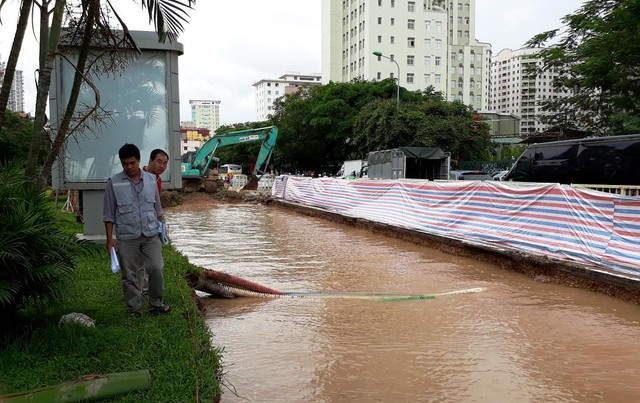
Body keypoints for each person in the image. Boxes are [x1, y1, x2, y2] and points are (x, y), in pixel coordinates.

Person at [103, 143, 171, 317]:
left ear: (139, 161)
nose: (129, 167)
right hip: (127, 235)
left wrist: (163, 230)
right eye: (125, 163)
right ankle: (134, 308)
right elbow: (109, 214)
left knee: (156, 268)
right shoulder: (114, 183)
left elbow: (158, 208)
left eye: (132, 163)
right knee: (129, 274)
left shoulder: (151, 180)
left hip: (151, 233)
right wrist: (110, 240)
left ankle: (156, 303)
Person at [140, 149, 169, 292]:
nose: (162, 166)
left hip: (152, 222)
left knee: (152, 257)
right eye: (159, 162)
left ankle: (148, 287)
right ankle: (143, 287)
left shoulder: (158, 179)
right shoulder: (140, 177)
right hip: (139, 224)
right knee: (141, 257)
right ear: (150, 161)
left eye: (165, 163)